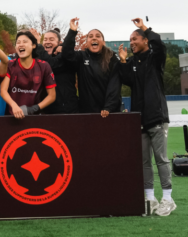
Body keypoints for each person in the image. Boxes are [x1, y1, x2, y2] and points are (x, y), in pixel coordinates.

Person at [119, 18, 174, 216]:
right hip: (139, 119)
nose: (131, 42)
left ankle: (168, 198)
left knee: (161, 159)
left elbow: (159, 44)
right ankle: (149, 198)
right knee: (144, 161)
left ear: (145, 40)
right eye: (130, 39)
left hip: (157, 117)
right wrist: (124, 60)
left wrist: (144, 27)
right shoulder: (133, 62)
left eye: (135, 39)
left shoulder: (154, 57)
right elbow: (126, 80)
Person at [60, 18, 122, 115]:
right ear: (87, 43)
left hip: (110, 112)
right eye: (90, 36)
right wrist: (72, 32)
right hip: (87, 112)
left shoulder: (112, 59)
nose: (94, 38)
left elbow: (114, 85)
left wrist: (108, 107)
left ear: (103, 42)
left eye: (98, 36)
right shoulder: (81, 57)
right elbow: (67, 54)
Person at [0, 30, 56, 118]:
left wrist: (33, 109)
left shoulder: (44, 66)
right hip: (12, 116)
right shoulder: (10, 65)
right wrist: (14, 106)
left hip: (35, 117)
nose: (21, 44)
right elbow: (3, 91)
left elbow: (52, 96)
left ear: (33, 45)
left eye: (25, 42)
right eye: (18, 42)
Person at [35, 28, 78, 115]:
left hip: (66, 110)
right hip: (45, 109)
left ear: (59, 43)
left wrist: (38, 45)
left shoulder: (64, 57)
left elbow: (50, 65)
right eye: (45, 39)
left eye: (51, 39)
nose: (47, 42)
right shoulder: (40, 56)